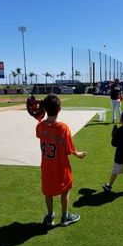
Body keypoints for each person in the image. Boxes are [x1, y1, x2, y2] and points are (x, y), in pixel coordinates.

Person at [36, 93, 87, 227]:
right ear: (59, 110)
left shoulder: (40, 126)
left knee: (48, 192)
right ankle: (65, 217)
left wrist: (39, 119)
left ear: (45, 109)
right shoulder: (63, 128)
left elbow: (39, 133)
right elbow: (69, 149)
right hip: (60, 167)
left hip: (47, 167)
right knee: (64, 191)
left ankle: (50, 216)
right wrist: (78, 154)